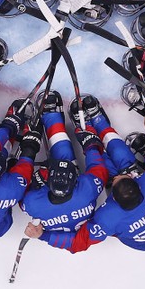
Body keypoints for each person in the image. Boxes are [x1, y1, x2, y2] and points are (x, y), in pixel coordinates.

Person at [25, 111, 145, 253]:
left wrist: (43, 236)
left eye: (114, 182)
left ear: (113, 198)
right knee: (126, 164)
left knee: (112, 168)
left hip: (135, 239)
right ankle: (100, 124)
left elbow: (78, 242)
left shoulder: (108, 217)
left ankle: (98, 129)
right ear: (139, 185)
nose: (118, 177)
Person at [19, 91, 109, 233]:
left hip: (67, 205)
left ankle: (51, 117)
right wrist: (90, 144)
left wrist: (37, 180)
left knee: (61, 157)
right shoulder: (86, 191)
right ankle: (87, 125)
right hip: (78, 200)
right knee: (66, 157)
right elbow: (99, 169)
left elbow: (17, 191)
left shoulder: (33, 203)